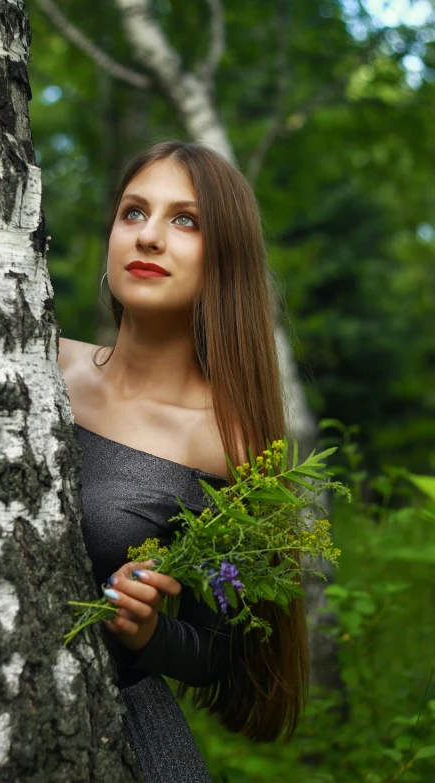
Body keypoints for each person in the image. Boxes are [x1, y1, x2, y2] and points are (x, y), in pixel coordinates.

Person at [58, 139, 309, 781]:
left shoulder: (228, 444)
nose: (148, 237)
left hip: (112, 733)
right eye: (133, 212)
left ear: (224, 257)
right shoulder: (36, 361)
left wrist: (146, 633)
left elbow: (232, 654)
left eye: (184, 220)